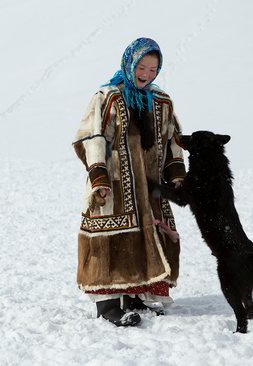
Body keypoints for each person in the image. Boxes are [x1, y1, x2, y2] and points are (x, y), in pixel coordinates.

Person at [72, 38, 186, 327]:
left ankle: (136, 295)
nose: (147, 74)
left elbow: (173, 140)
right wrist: (99, 176)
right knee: (112, 241)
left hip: (149, 188)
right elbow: (90, 136)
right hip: (114, 185)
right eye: (142, 67)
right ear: (130, 63)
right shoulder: (108, 96)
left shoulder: (162, 101)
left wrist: (176, 175)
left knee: (144, 237)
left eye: (153, 68)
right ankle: (109, 304)